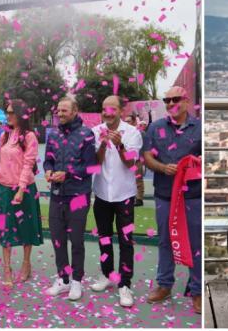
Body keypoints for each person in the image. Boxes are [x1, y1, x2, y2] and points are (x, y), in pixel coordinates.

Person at [142, 86, 202, 313]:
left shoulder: (200, 129)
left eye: (175, 99)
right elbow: (147, 157)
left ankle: (196, 290)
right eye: (166, 100)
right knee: (165, 240)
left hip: (192, 196)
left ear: (186, 102)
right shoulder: (155, 128)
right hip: (164, 194)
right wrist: (161, 167)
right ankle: (164, 284)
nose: (170, 104)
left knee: (195, 242)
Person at [90, 96, 142, 307]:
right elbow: (95, 163)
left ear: (121, 110)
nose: (108, 113)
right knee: (104, 238)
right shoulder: (95, 131)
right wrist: (103, 145)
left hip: (124, 195)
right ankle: (107, 275)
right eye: (104, 109)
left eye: (112, 109)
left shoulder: (133, 133)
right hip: (102, 193)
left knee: (125, 241)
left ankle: (125, 285)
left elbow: (131, 163)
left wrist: (119, 145)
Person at [43, 96, 96, 301]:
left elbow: (91, 167)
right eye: (59, 110)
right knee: (58, 240)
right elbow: (48, 161)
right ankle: (63, 280)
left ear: (75, 111)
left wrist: (68, 173)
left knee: (76, 240)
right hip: (57, 194)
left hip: (79, 195)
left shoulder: (87, 134)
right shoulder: (53, 134)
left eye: (65, 110)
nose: (60, 114)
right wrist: (48, 172)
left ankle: (76, 282)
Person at [0, 99, 44, 288]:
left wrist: (22, 189)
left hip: (24, 190)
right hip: (4, 190)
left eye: (11, 113)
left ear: (21, 115)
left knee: (26, 228)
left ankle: (26, 264)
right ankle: (7, 269)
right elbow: (2, 160)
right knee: (4, 229)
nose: (8, 116)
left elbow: (28, 163)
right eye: (7, 113)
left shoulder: (29, 136)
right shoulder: (4, 136)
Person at [124, 113, 145, 206]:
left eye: (128, 121)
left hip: (137, 161)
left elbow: (144, 146)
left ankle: (139, 199)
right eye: (125, 121)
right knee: (127, 178)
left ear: (133, 121)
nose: (126, 123)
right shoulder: (123, 132)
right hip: (126, 160)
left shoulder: (140, 132)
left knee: (138, 179)